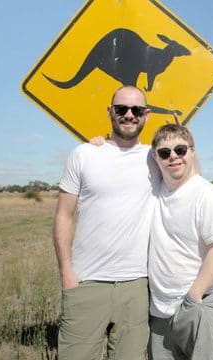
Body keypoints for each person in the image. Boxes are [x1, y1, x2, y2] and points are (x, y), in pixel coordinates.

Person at [53, 85, 159, 360]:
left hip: (136, 285)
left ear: (146, 115)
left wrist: (187, 140)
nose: (128, 115)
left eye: (136, 110)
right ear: (110, 112)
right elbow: (63, 216)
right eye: (121, 109)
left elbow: (189, 179)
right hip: (86, 282)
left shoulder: (156, 157)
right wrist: (67, 273)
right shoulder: (84, 154)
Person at [147, 124, 213, 360]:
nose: (173, 156)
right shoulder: (155, 192)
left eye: (180, 149)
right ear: (155, 157)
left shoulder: (207, 195)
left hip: (201, 302)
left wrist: (193, 297)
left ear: (192, 152)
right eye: (165, 153)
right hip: (161, 310)